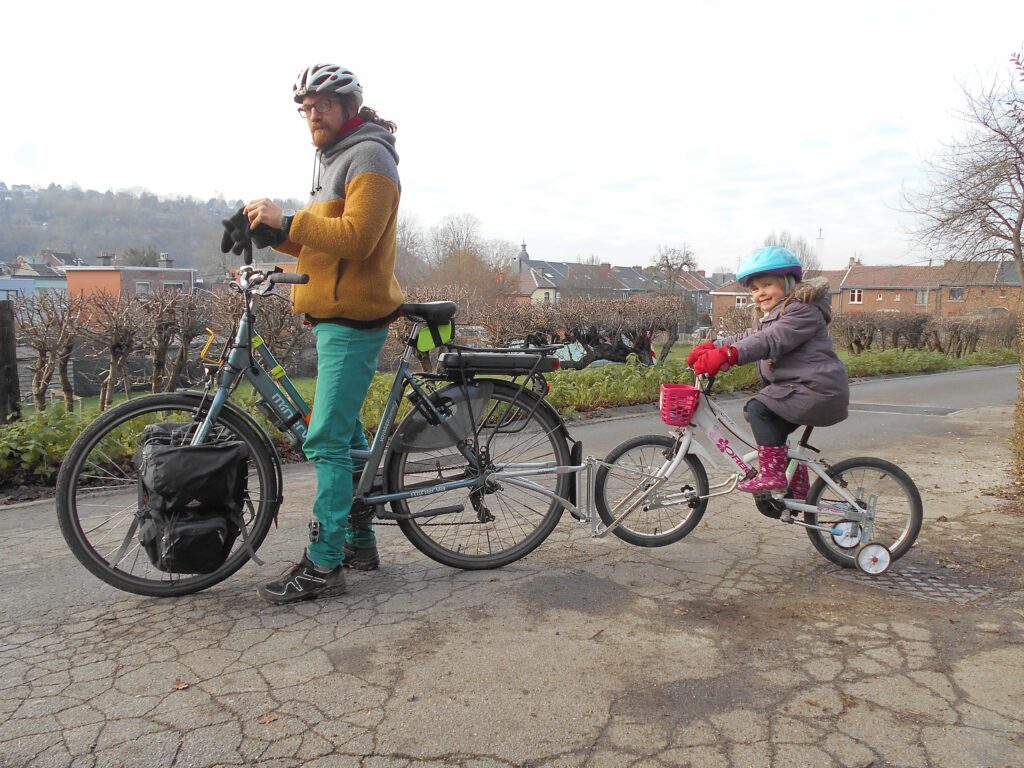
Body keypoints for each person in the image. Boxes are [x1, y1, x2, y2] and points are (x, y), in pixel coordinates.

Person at [223, 63, 404, 604]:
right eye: (305, 108)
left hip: (354, 321)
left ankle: (324, 564)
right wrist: (272, 233)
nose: (312, 114)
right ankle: (361, 543)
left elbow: (358, 238)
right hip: (331, 316)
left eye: (321, 103)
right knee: (345, 437)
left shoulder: (370, 155)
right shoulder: (332, 159)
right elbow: (321, 243)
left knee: (323, 439)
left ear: (348, 105)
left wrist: (289, 220)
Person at [687, 246, 849, 497]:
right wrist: (713, 346)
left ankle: (773, 476)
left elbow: (771, 340)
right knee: (768, 428)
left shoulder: (802, 311)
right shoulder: (773, 315)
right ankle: (796, 486)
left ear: (788, 282)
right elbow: (749, 336)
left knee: (759, 408)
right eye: (754, 289)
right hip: (800, 389)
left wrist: (730, 355)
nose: (760, 293)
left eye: (767, 285)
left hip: (818, 389)